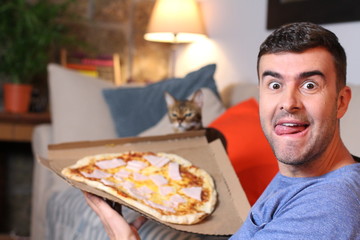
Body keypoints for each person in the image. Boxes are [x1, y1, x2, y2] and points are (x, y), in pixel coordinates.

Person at [84, 22, 360, 239]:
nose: (288, 103)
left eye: (309, 85)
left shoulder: (327, 207)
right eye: (274, 85)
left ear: (341, 101)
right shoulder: (300, 178)